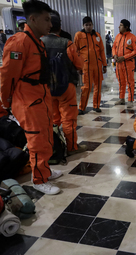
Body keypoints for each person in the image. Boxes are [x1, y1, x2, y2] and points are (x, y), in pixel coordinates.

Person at [0, 0, 63, 195]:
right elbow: (7, 76)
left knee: (46, 137)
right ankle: (39, 179)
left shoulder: (38, 42)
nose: (50, 24)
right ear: (33, 19)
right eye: (46, 20)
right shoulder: (19, 42)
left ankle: (45, 169)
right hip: (28, 102)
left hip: (41, 98)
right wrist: (6, 102)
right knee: (36, 141)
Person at [41, 13, 87, 156]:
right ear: (60, 28)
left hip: (46, 88)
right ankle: (72, 147)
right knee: (69, 118)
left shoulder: (38, 42)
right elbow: (79, 65)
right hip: (66, 86)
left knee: (53, 118)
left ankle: (54, 147)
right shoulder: (66, 43)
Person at [74, 16, 107, 114]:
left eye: (90, 24)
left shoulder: (97, 35)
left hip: (97, 65)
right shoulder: (78, 35)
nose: (88, 27)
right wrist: (77, 66)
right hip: (85, 66)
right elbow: (76, 52)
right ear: (83, 25)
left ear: (92, 25)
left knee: (98, 86)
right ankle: (82, 107)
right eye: (86, 25)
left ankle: (96, 106)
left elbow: (101, 51)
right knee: (86, 87)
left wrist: (104, 65)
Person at [112, 19, 136, 108]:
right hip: (118, 64)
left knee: (130, 82)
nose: (119, 27)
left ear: (126, 27)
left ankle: (130, 100)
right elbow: (114, 48)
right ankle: (121, 98)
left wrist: (124, 57)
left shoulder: (132, 37)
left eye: (121, 25)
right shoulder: (117, 37)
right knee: (120, 81)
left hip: (128, 64)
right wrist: (114, 55)